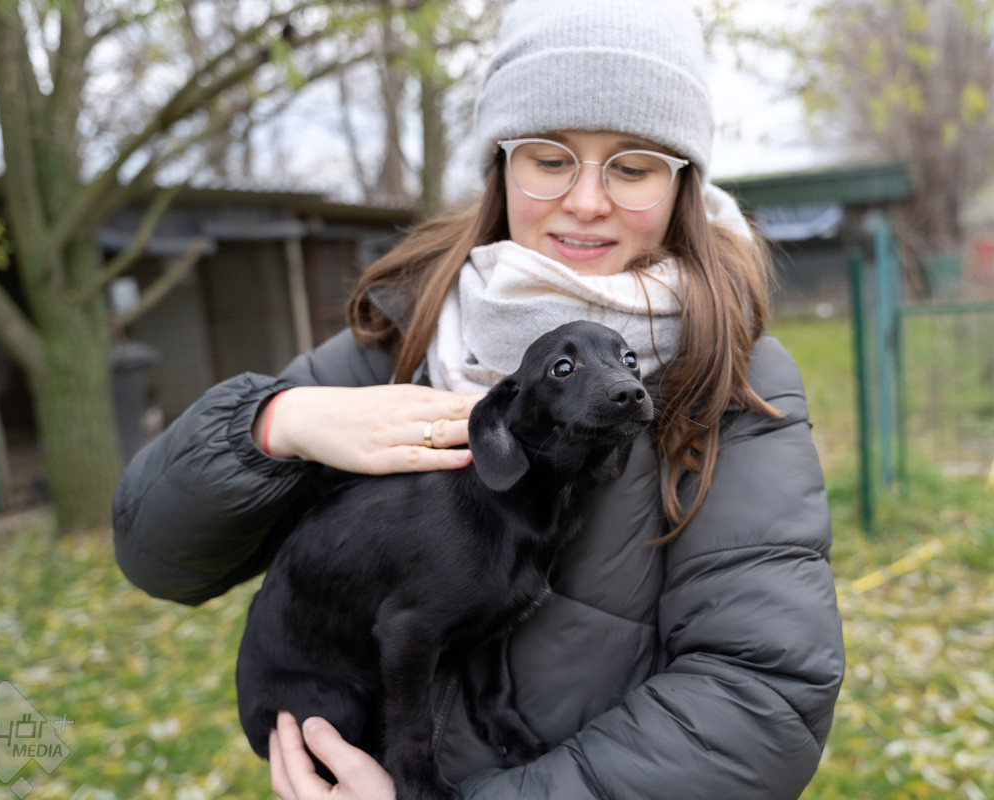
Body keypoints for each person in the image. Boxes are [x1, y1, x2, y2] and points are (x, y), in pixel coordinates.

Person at [112, 0, 845, 798]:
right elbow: (157, 555)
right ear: (500, 167)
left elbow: (761, 703)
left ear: (682, 186)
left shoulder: (732, 378)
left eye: (633, 168)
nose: (587, 201)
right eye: (549, 158)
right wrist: (276, 422)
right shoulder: (399, 336)